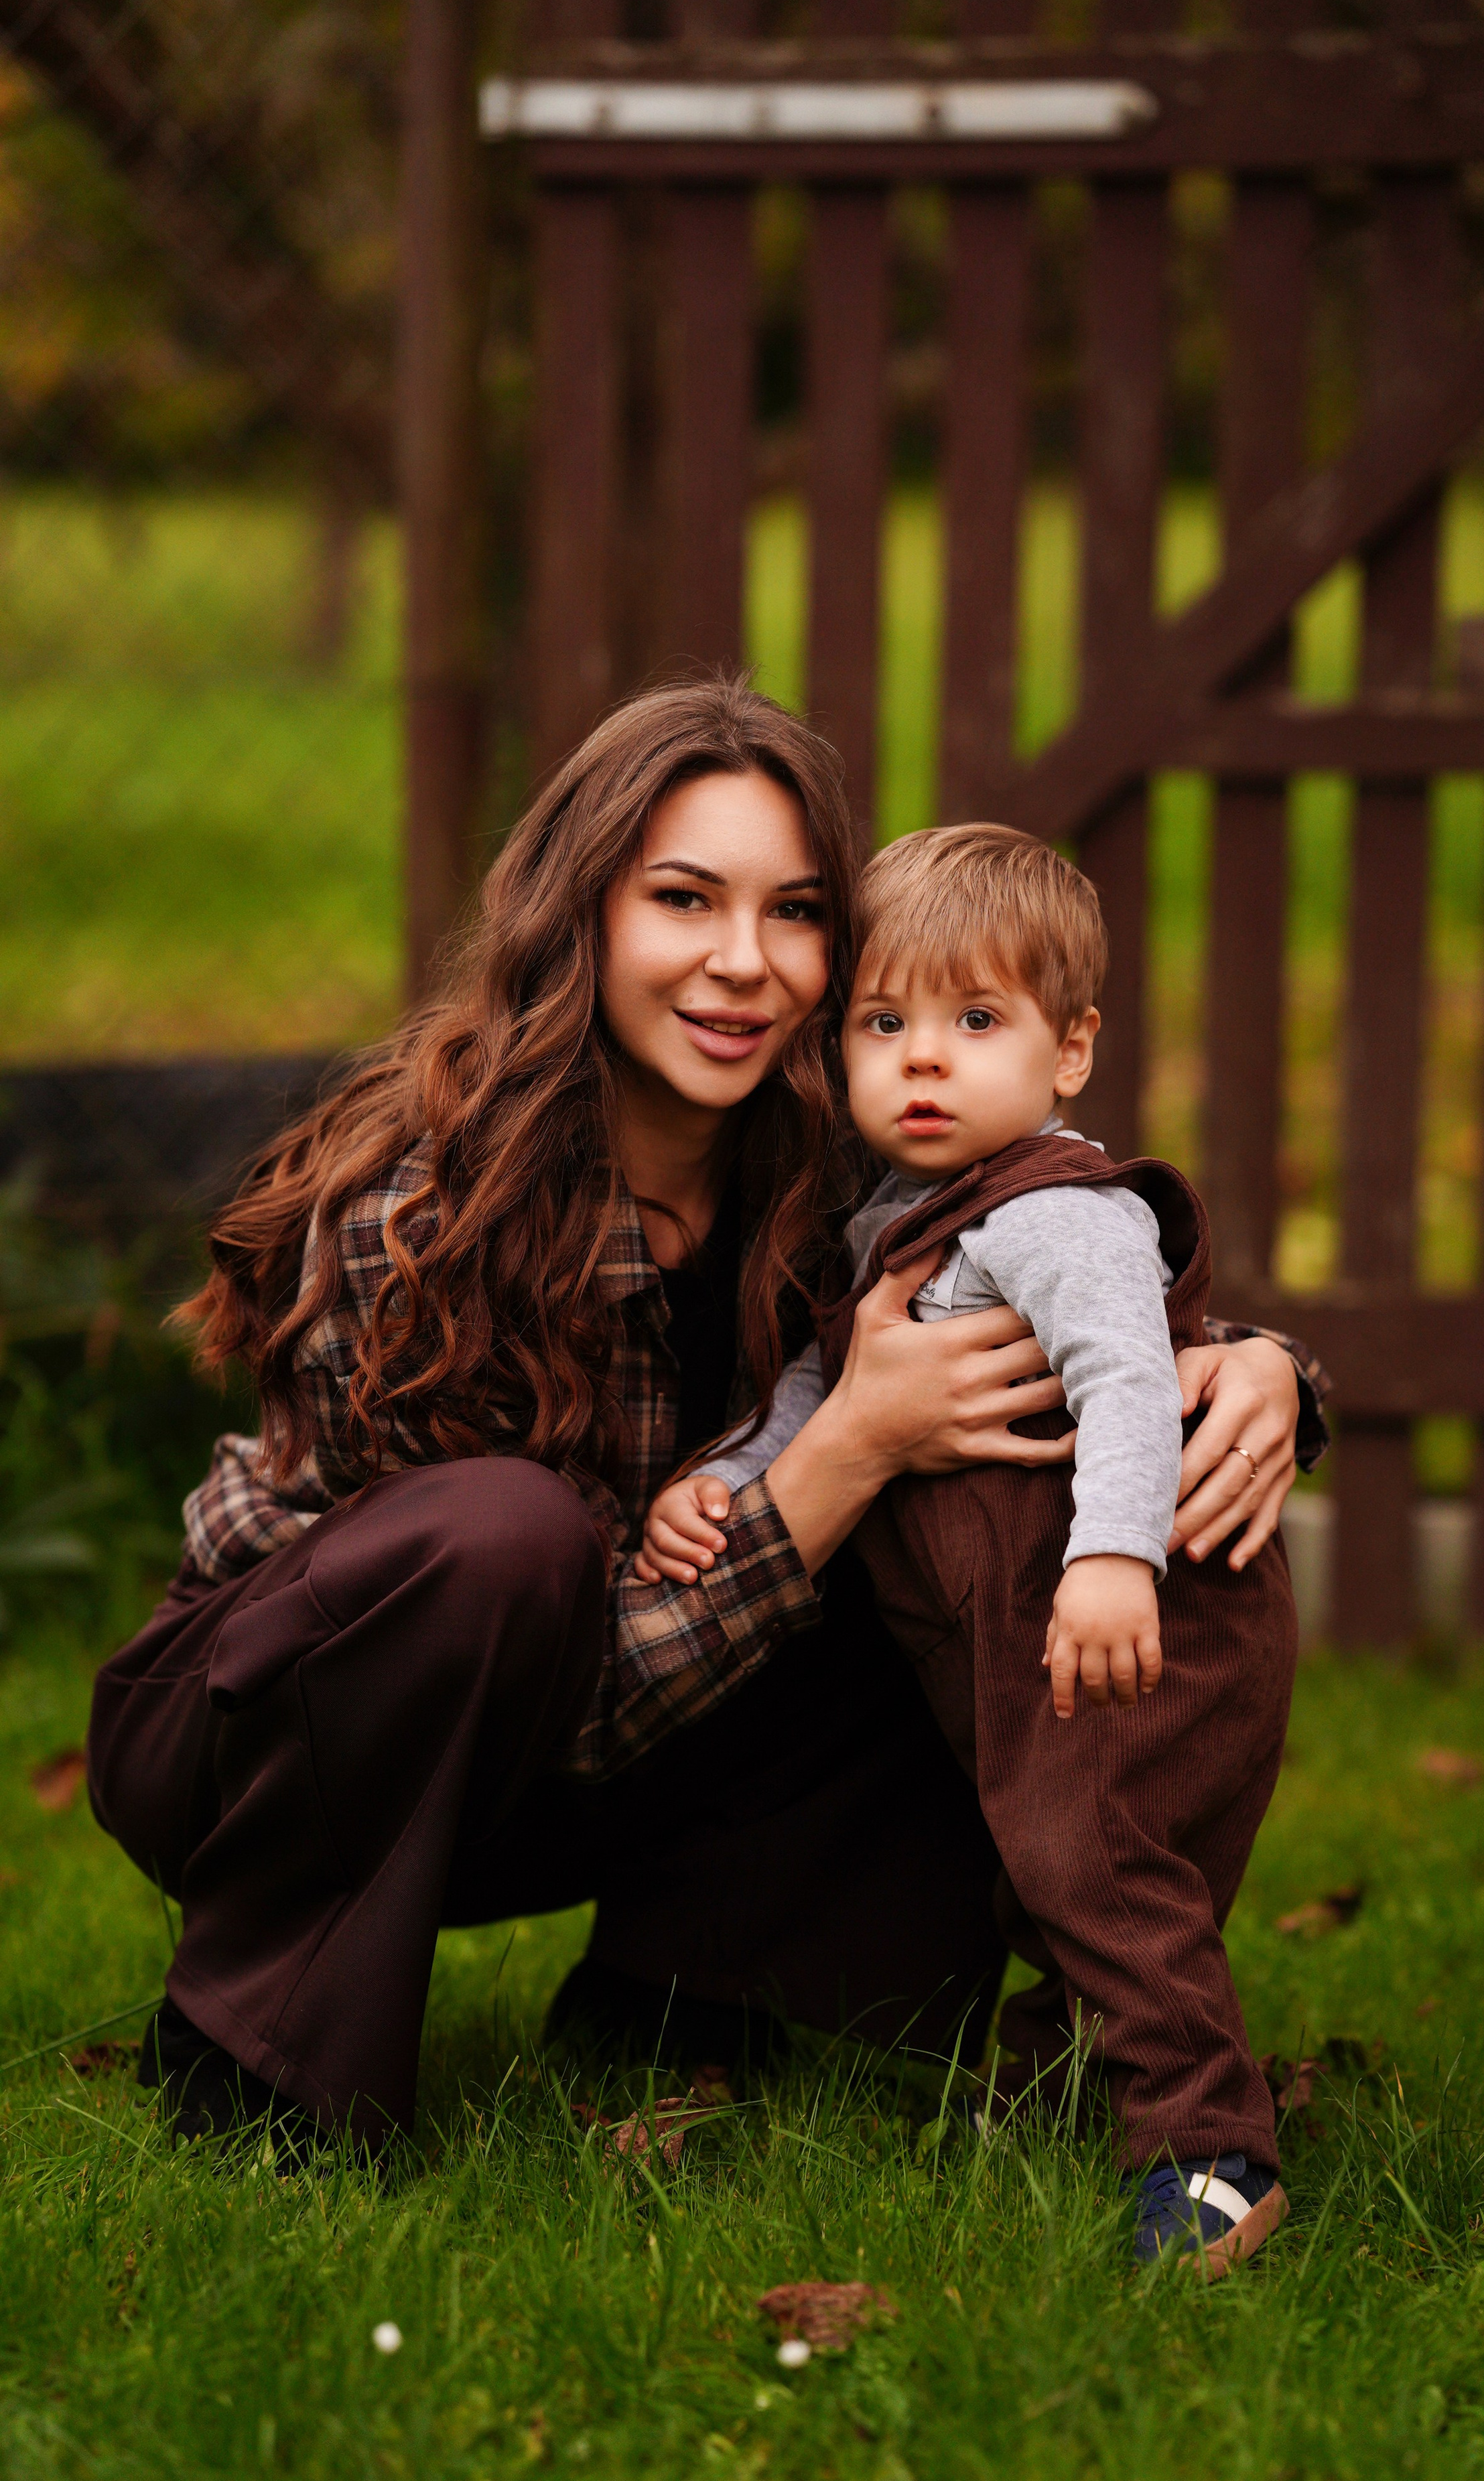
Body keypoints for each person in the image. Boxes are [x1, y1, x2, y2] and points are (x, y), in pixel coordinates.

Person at [84, 677, 1324, 2165]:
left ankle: (695, 1999)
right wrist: (844, 1449)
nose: (742, 964)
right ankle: (253, 2051)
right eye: (683, 899)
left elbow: (1045, 1255)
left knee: (979, 1502)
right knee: (509, 1533)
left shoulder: (834, 1164)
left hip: (609, 1741)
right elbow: (539, 1679)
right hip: (282, 1742)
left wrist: (1251, 1369)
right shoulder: (421, 1205)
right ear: (582, 913)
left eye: (793, 913)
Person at [640, 825, 1302, 2273]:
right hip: (1019, 1628)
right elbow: (819, 1395)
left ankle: (1208, 2152)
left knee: (1101, 1869)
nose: (920, 1062)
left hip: (1131, 1615)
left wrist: (1111, 1560)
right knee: (1054, 1865)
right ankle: (1063, 2080)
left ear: (1069, 1053)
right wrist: (728, 1481)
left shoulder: (1055, 1214)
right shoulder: (897, 1224)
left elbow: (1130, 1379)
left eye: (973, 1021)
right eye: (883, 1024)